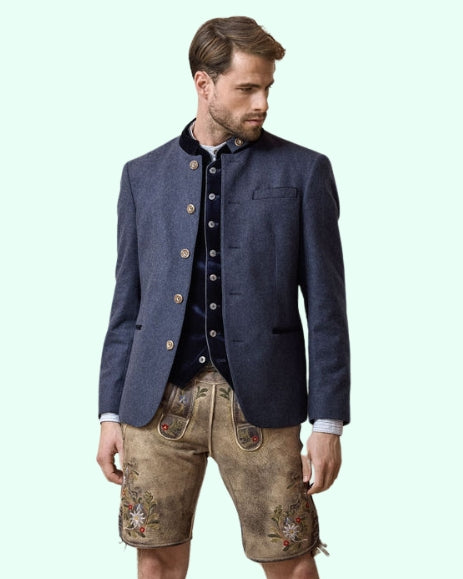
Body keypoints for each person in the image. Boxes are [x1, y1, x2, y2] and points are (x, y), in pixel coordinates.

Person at [97, 16, 350, 579]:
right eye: (247, 88)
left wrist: (328, 422)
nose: (262, 104)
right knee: (156, 562)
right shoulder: (142, 176)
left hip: (262, 400)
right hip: (156, 404)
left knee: (291, 562)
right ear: (203, 83)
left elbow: (328, 309)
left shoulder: (304, 171)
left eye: (268, 88)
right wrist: (110, 412)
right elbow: (127, 306)